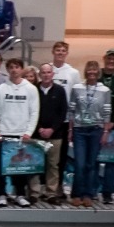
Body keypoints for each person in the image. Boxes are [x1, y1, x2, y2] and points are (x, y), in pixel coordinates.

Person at [0, 59, 38, 207]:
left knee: (20, 167)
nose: (14, 70)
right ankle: (1, 194)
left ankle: (20, 194)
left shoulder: (30, 89)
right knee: (0, 167)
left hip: (21, 135)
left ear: (21, 69)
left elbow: (34, 112)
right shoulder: (1, 89)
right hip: (3, 134)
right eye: (11, 67)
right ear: (7, 69)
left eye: (16, 67)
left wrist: (28, 132)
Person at [68, 62, 114, 206]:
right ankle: (76, 193)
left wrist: (105, 132)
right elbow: (71, 111)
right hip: (79, 130)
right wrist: (70, 130)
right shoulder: (77, 88)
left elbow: (107, 112)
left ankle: (88, 193)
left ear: (98, 72)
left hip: (96, 129)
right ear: (86, 71)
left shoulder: (105, 90)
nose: (91, 72)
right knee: (80, 164)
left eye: (94, 69)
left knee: (91, 164)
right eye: (89, 69)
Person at [32, 63, 70, 202]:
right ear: (40, 75)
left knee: (53, 165)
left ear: (53, 74)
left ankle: (51, 193)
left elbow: (62, 113)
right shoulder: (34, 90)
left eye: (49, 72)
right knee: (35, 164)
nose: (46, 75)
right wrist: (40, 128)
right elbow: (31, 112)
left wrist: (52, 129)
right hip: (37, 134)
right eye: (43, 72)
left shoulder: (60, 91)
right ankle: (34, 192)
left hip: (55, 134)